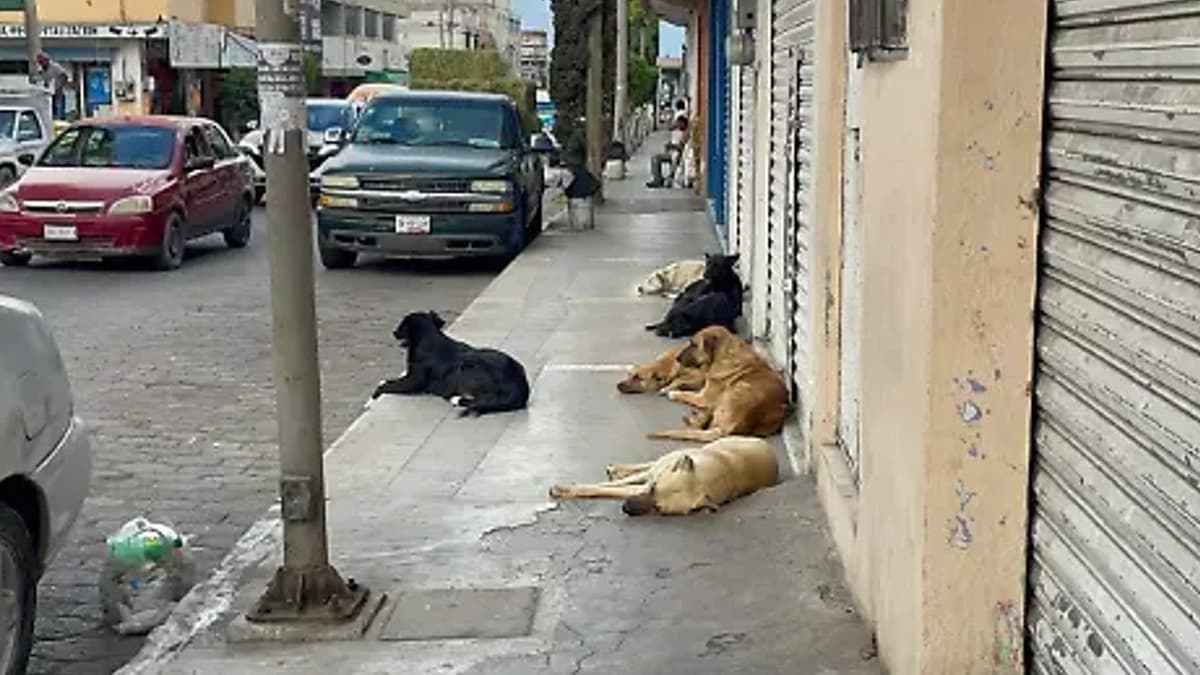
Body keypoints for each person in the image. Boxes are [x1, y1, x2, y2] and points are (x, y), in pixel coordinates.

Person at [647, 114, 688, 188]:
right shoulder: (678, 131)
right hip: (673, 153)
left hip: (678, 155)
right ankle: (658, 178)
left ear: (683, 123)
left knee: (656, 158)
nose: (677, 125)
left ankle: (658, 180)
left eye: (679, 123)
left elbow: (681, 147)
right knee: (655, 157)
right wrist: (669, 145)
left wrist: (672, 146)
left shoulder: (686, 133)